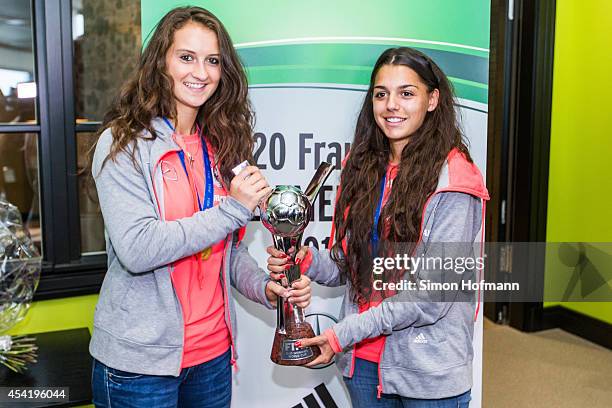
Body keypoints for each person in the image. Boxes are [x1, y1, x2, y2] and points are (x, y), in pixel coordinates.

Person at [89, 6, 311, 408]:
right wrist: (234, 208)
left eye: (212, 61)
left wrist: (265, 287)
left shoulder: (220, 146)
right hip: (141, 367)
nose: (201, 72)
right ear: (161, 61)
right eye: (186, 57)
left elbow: (226, 250)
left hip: (212, 355)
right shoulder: (122, 145)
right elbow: (139, 249)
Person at [267, 47, 489, 407]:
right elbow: (350, 264)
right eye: (381, 94)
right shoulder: (362, 168)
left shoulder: (455, 181)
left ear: (432, 100)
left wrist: (342, 334)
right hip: (364, 365)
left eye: (406, 93)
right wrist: (306, 261)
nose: (391, 105)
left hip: (426, 373)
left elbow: (430, 299)